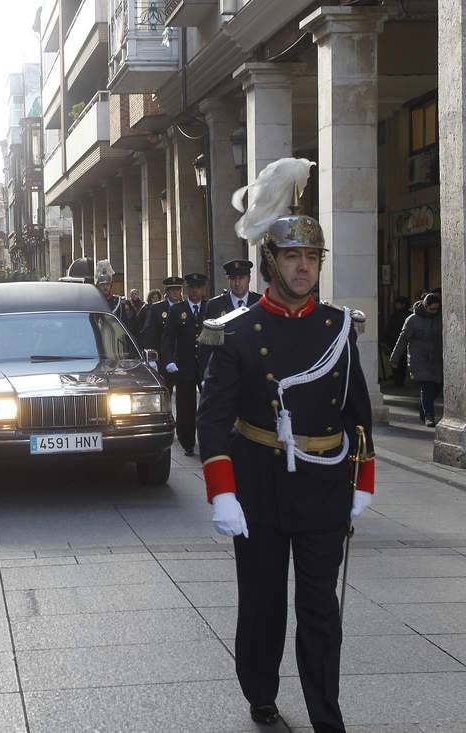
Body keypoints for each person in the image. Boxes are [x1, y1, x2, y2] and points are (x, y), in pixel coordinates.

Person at [197, 158, 375, 732]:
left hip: (324, 482)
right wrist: (222, 493)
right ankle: (261, 693)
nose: (305, 267)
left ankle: (327, 712)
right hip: (260, 482)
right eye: (295, 257)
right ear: (272, 261)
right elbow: (212, 420)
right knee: (265, 604)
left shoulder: (338, 328)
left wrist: (361, 482)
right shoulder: (238, 331)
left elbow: (358, 415)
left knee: (320, 606)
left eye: (313, 257)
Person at [161, 273, 208, 455]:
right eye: (192, 288)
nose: (195, 291)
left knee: (208, 404)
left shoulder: (208, 307)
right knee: (185, 406)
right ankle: (187, 441)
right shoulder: (177, 310)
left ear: (203, 289)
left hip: (205, 365)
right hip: (184, 364)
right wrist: (169, 360)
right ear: (187, 289)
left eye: (199, 288)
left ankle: (207, 439)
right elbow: (168, 338)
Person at [199, 259, 262, 382]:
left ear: (249, 278)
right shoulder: (215, 305)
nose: (237, 283)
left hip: (255, 373)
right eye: (233, 278)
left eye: (241, 278)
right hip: (225, 373)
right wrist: (205, 376)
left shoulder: (259, 302)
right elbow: (207, 345)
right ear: (228, 280)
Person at [390, 292, 443, 427]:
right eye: (432, 309)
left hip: (436, 358)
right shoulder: (412, 320)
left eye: (436, 309)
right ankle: (429, 416)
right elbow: (402, 339)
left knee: (437, 386)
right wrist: (394, 358)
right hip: (418, 359)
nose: (434, 311)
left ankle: (423, 404)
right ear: (425, 306)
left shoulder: (440, 318)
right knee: (427, 387)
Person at [384, 296, 410, 387]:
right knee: (397, 361)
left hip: (401, 341)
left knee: (401, 362)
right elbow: (388, 328)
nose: (396, 305)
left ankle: (399, 380)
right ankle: (398, 380)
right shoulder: (395, 315)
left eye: (398, 304)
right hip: (395, 340)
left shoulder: (403, 315)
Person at [95, 260, 130, 326]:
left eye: (107, 285)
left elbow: (124, 322)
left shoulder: (118, 301)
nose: (105, 287)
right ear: (98, 286)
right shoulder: (94, 301)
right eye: (102, 285)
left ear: (110, 286)